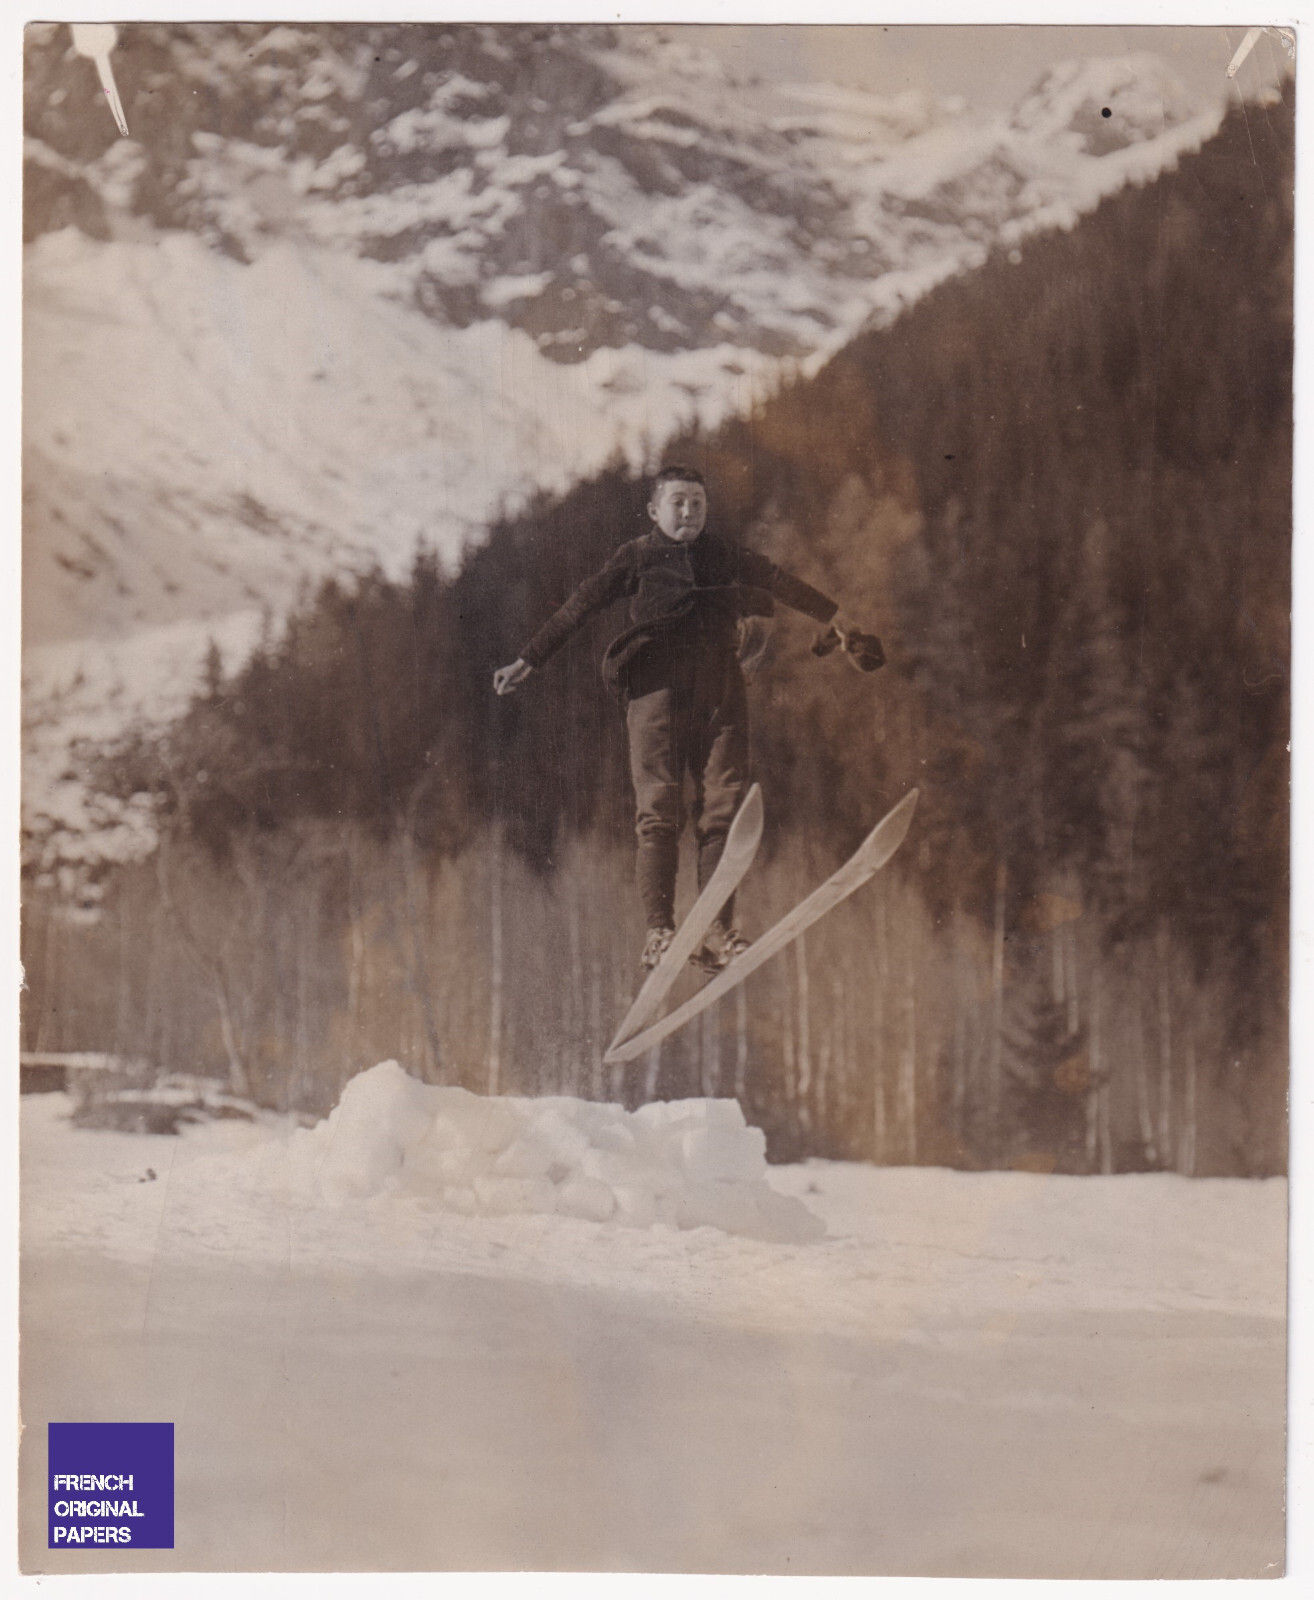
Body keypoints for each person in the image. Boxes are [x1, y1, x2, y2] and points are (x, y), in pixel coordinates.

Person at [493, 466, 863, 971]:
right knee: (659, 808)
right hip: (655, 691)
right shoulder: (637, 557)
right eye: (678, 503)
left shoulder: (724, 554)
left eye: (697, 504)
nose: (689, 512)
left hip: (720, 693)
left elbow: (779, 582)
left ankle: (720, 929)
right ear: (653, 511)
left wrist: (833, 615)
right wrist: (529, 659)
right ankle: (661, 932)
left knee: (722, 809)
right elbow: (581, 605)